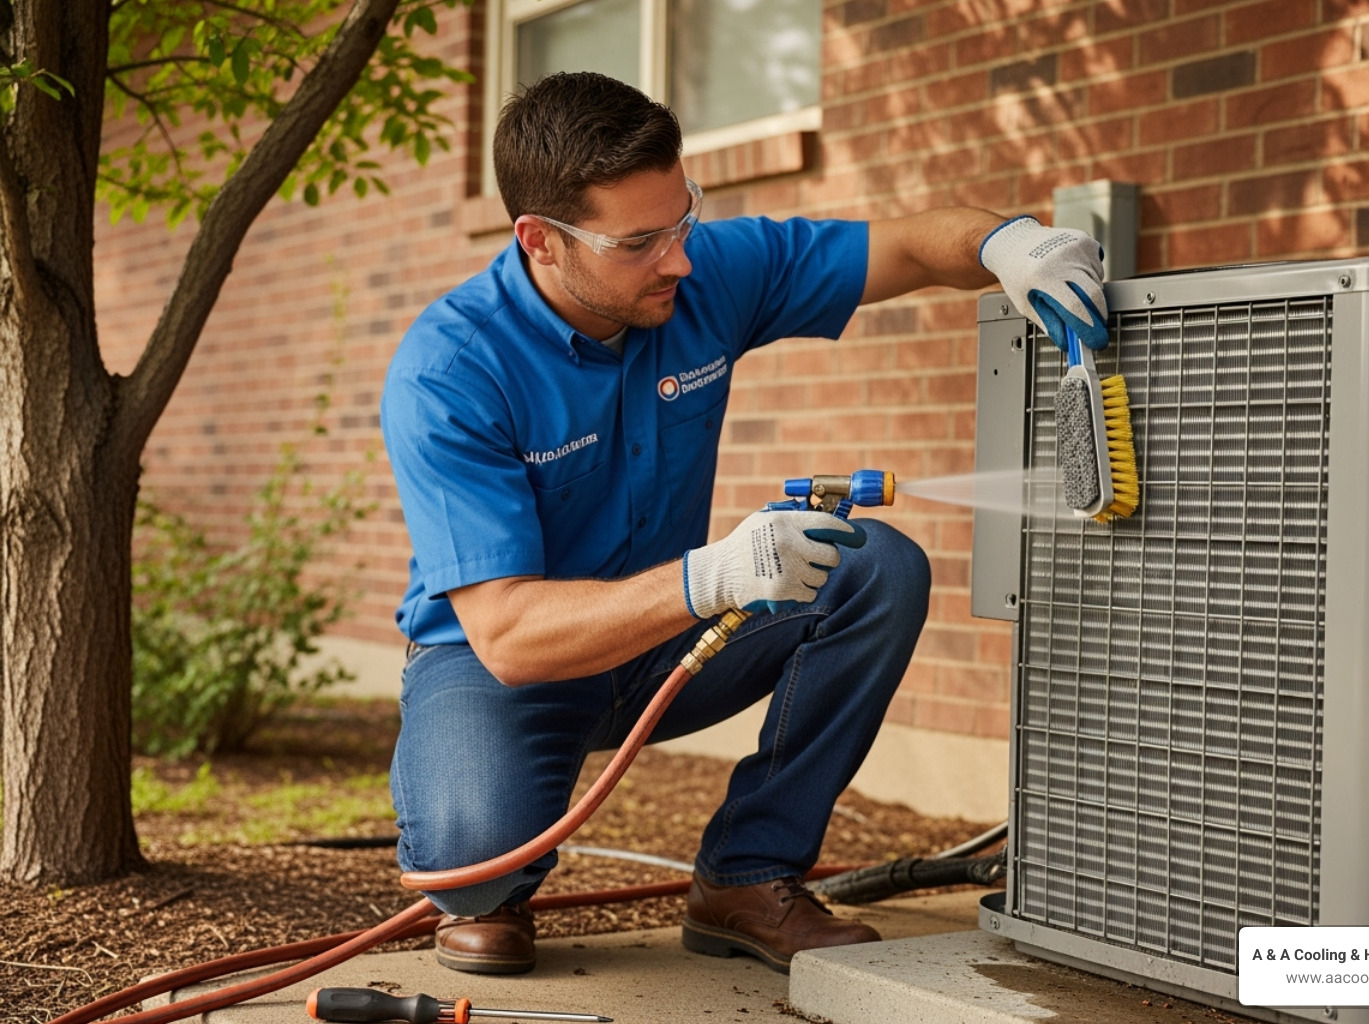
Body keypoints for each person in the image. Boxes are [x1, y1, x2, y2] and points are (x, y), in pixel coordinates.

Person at [380, 71, 1108, 977]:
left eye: (684, 219)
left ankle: (746, 877)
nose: (679, 260)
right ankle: (494, 887)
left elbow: (916, 250)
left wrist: (1009, 241)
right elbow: (511, 637)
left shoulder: (706, 271)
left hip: (668, 637)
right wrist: (710, 577)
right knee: (471, 874)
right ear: (541, 240)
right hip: (500, 665)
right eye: (641, 241)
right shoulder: (451, 369)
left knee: (874, 567)